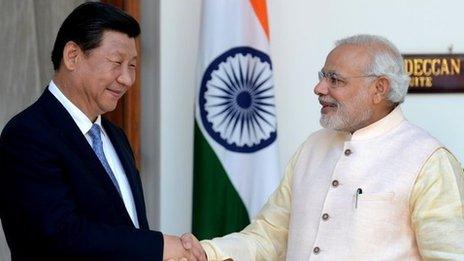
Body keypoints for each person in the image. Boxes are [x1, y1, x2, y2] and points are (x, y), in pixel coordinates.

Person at [181, 34, 464, 260]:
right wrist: (206, 253)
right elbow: (269, 236)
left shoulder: (428, 160)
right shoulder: (313, 147)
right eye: (322, 76)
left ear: (379, 89)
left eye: (335, 80)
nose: (319, 88)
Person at [0, 2, 200, 260]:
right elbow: (57, 237)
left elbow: (127, 230)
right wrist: (158, 247)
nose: (127, 78)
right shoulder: (26, 135)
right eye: (117, 62)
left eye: (133, 66)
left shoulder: (116, 137)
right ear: (72, 55)